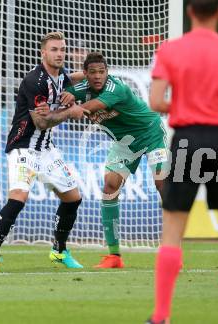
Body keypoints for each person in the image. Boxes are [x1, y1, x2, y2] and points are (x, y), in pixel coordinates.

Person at [146, 0, 218, 323]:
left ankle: (161, 316)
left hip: (187, 140)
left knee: (172, 231)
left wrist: (185, 104)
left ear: (190, 12)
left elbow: (155, 101)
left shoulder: (170, 51)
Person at [0, 32, 87, 271]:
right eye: (54, 49)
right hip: (24, 148)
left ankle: (59, 251)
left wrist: (96, 73)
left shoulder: (62, 77)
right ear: (43, 53)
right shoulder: (34, 81)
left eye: (62, 49)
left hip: (47, 150)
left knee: (73, 198)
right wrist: (71, 112)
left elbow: (76, 76)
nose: (59, 53)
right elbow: (41, 123)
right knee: (19, 197)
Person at [59, 52, 168, 268]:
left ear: (107, 72)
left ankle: (173, 251)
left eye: (102, 71)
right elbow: (63, 90)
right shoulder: (83, 89)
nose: (98, 76)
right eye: (93, 72)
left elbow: (88, 108)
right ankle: (114, 256)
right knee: (110, 186)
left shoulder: (115, 89)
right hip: (124, 144)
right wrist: (64, 93)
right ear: (86, 75)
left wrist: (69, 105)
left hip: (151, 133)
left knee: (162, 184)